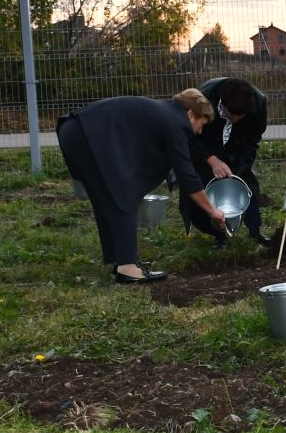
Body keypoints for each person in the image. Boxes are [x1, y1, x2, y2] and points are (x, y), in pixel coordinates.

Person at [56, 89, 227, 284]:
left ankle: (120, 259)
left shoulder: (163, 113)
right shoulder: (176, 123)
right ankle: (127, 267)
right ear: (190, 114)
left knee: (109, 198)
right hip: (86, 136)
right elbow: (187, 175)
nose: (199, 131)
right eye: (201, 124)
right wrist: (212, 211)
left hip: (74, 131)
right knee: (123, 193)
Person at [190, 76, 270, 246]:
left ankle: (255, 231)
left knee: (248, 185)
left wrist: (238, 169)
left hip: (237, 146)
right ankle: (218, 234)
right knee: (202, 189)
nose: (237, 119)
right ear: (223, 104)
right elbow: (190, 138)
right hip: (207, 146)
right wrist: (211, 160)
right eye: (232, 115)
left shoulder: (258, 103)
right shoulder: (202, 100)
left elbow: (252, 140)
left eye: (242, 116)